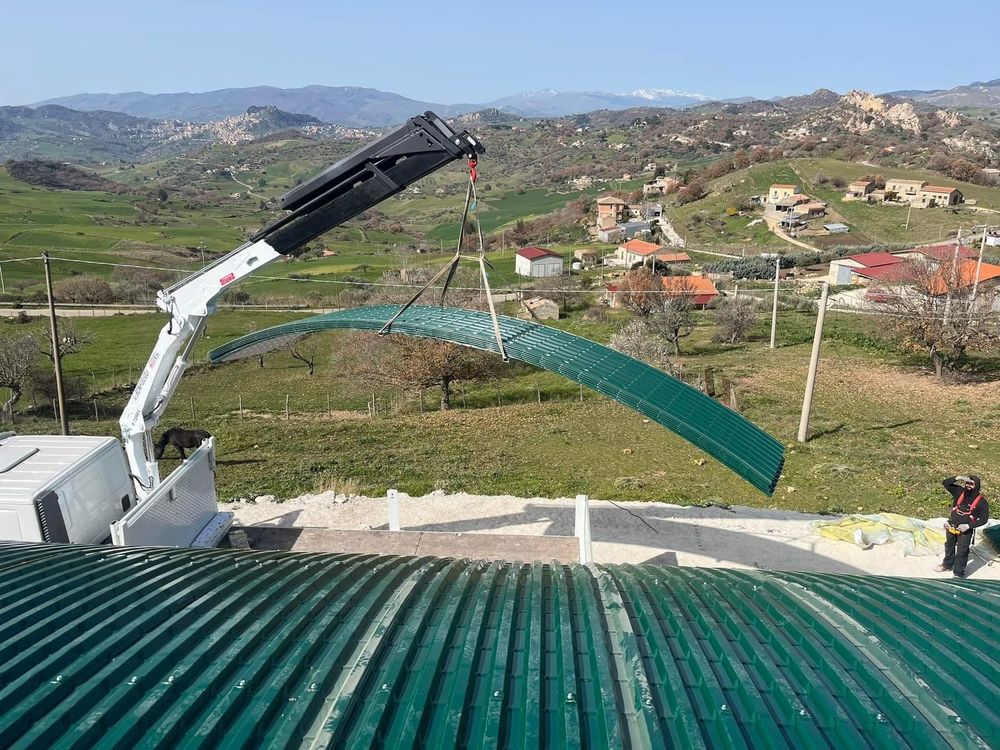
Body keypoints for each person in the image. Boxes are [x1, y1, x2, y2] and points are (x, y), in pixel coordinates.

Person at [935, 475, 990, 578]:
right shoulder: (959, 492)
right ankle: (947, 564)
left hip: (965, 531)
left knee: (962, 551)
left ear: (977, 486)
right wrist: (958, 477)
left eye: (971, 484)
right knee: (949, 546)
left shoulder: (982, 502)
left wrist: (968, 526)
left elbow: (984, 519)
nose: (968, 485)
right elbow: (945, 483)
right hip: (951, 525)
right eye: (967, 483)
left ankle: (958, 573)